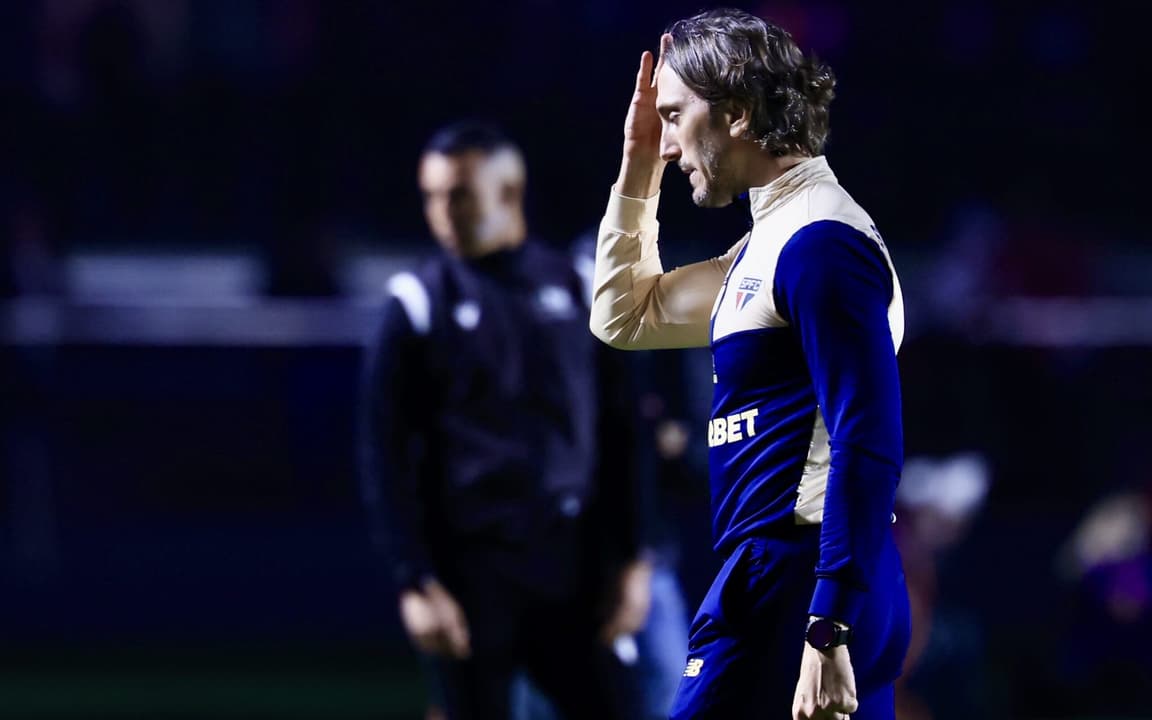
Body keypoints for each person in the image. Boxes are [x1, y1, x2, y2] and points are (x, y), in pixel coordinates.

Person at [589, 9, 911, 720]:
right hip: (802, 577)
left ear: (735, 113)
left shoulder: (820, 244)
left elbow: (868, 438)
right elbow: (624, 314)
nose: (669, 144)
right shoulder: (775, 241)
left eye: (675, 117)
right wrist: (638, 165)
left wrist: (829, 624)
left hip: (798, 581)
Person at [359, 120, 648, 720]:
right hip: (470, 568)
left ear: (510, 192)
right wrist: (415, 581)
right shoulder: (418, 301)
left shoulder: (578, 285)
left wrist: (635, 558)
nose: (443, 212)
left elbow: (625, 431)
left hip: (573, 562)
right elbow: (383, 454)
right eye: (431, 196)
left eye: (459, 194)